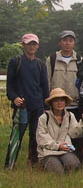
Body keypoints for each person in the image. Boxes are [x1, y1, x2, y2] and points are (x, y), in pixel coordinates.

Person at [6, 33, 50, 166]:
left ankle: (33, 163)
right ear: (23, 45)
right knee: (17, 136)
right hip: (22, 106)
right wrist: (14, 98)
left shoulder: (40, 64)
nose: (31, 46)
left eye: (34, 44)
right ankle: (9, 164)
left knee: (36, 137)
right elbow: (10, 85)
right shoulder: (16, 61)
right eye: (28, 44)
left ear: (37, 46)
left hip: (38, 106)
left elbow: (44, 87)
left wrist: (47, 106)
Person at [37, 88, 83, 173]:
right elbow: (42, 138)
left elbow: (75, 133)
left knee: (75, 165)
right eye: (56, 101)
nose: (59, 103)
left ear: (65, 102)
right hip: (47, 152)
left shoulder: (70, 116)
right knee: (58, 171)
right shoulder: (44, 118)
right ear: (51, 103)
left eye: (62, 100)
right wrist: (58, 146)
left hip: (65, 151)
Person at [47, 30, 80, 117]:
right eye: (65, 40)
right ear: (59, 42)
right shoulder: (52, 59)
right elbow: (47, 81)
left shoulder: (79, 59)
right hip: (55, 103)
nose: (67, 43)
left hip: (74, 104)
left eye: (70, 40)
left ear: (74, 43)